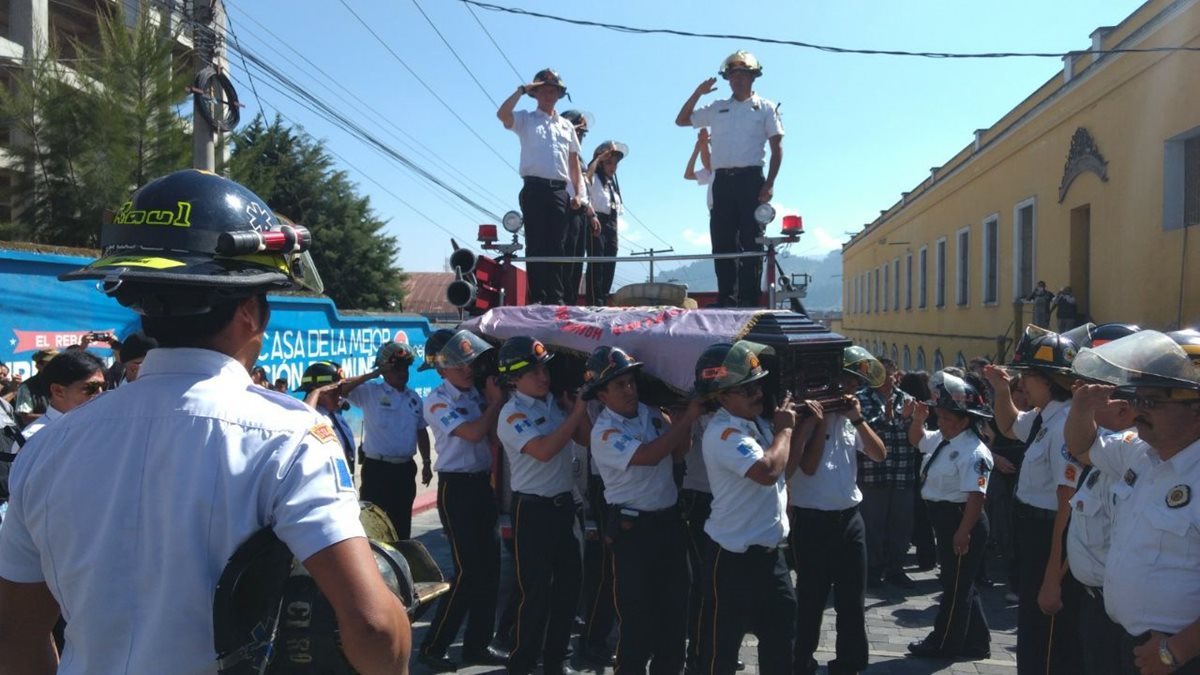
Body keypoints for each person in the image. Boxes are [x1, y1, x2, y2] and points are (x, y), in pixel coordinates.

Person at [0, 169, 409, 673]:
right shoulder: (292, 439)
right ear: (250, 313)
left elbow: (15, 632)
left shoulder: (48, 449)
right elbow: (372, 627)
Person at [1065, 330, 1200, 674]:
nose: (1138, 410)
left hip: (1178, 655)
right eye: (1137, 398)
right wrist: (1081, 408)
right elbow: (1081, 448)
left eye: (1151, 402)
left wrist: (1176, 651)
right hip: (1129, 642)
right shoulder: (1138, 452)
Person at [695, 340, 810, 675]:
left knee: (780, 645)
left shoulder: (758, 424)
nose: (756, 393)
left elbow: (782, 472)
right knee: (720, 652)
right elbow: (767, 471)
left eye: (758, 384)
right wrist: (785, 430)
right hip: (733, 560)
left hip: (770, 556)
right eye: (745, 388)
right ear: (721, 396)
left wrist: (799, 430)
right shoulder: (723, 432)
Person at [585, 345, 702, 673]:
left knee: (674, 617)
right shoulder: (604, 432)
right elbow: (649, 455)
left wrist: (683, 424)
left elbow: (678, 452)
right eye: (619, 385)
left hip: (668, 524)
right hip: (633, 532)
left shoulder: (651, 414)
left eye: (631, 382)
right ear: (602, 395)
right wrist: (687, 419)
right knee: (638, 623)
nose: (629, 389)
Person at [983, 327, 1083, 674]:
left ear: (1050, 379)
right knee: (1032, 628)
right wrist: (999, 389)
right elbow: (1009, 425)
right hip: (1031, 532)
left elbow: (1066, 502)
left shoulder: (1063, 426)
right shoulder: (1046, 416)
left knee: (1047, 639)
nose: (1021, 384)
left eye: (1027, 376)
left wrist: (1054, 574)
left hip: (1048, 538)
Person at [789, 347, 888, 675]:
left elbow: (879, 454)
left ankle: (849, 662)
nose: (852, 389)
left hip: (849, 517)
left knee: (852, 600)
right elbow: (809, 466)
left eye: (856, 384)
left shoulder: (851, 419)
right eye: (847, 381)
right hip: (812, 519)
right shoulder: (806, 416)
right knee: (811, 599)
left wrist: (857, 419)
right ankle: (800, 662)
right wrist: (819, 423)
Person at [496, 336, 590, 675]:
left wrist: (575, 411)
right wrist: (577, 411)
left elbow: (584, 439)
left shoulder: (554, 402)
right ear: (513, 378)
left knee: (569, 589)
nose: (543, 376)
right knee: (535, 594)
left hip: (566, 506)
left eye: (544, 368)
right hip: (533, 510)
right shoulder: (511, 414)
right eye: (533, 371)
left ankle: (556, 662)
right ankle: (521, 662)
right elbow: (545, 450)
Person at [417, 329, 508, 671]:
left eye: (468, 361)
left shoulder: (476, 395)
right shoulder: (437, 399)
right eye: (457, 364)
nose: (467, 368)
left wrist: (494, 402)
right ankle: (433, 646)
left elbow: (494, 436)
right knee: (468, 572)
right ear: (441, 370)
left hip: (482, 485)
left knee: (490, 570)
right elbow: (472, 433)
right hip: (455, 489)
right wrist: (495, 403)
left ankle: (477, 646)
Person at [676, 50, 784, 308]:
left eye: (742, 74)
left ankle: (748, 299)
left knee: (752, 241)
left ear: (753, 77)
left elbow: (777, 147)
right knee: (722, 242)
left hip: (751, 180)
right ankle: (727, 298)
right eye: (733, 75)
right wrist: (698, 93)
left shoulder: (766, 108)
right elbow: (681, 120)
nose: (737, 79)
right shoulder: (717, 108)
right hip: (722, 181)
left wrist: (769, 183)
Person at [904, 372, 995, 660]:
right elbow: (918, 440)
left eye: (946, 419)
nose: (940, 423)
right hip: (945, 519)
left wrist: (963, 531)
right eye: (939, 418)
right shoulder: (946, 439)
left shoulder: (973, 452)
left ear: (965, 421)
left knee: (955, 589)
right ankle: (977, 642)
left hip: (961, 519)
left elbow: (976, 496)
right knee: (961, 584)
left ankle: (943, 643)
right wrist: (917, 420)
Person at [497, 68, 587, 305]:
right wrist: (520, 90)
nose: (549, 94)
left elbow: (573, 162)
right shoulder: (526, 119)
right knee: (536, 243)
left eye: (553, 90)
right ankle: (538, 298)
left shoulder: (567, 126)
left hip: (559, 190)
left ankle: (556, 299)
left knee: (558, 245)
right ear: (535, 93)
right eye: (544, 90)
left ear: (559, 95)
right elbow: (502, 114)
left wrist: (578, 192)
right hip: (534, 188)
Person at [339, 341, 431, 541]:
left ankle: (401, 568)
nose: (402, 373)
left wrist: (426, 463)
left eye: (406, 368)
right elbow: (341, 389)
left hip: (405, 470)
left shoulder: (413, 398)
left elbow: (421, 431)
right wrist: (373, 373)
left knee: (402, 526)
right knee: (372, 524)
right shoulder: (371, 392)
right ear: (384, 370)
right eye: (397, 368)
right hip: (377, 470)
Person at [855, 357, 918, 588]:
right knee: (873, 524)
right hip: (873, 473)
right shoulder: (862, 399)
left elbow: (915, 435)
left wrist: (916, 419)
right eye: (879, 375)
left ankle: (896, 568)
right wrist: (889, 417)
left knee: (901, 524)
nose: (885, 380)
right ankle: (873, 568)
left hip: (902, 471)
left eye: (889, 375)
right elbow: (865, 430)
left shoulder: (907, 399)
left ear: (896, 374)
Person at [19, 350, 106, 439]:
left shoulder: (105, 428)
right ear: (58, 391)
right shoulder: (33, 438)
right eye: (91, 387)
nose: (100, 393)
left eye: (103, 386)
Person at [585, 141, 627, 306]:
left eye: (615, 163)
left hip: (612, 224)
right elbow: (585, 185)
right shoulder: (593, 178)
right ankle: (594, 301)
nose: (613, 167)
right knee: (597, 263)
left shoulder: (612, 185)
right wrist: (591, 217)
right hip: (597, 221)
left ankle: (603, 298)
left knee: (610, 263)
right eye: (609, 162)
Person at [298, 360, 358, 471]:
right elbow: (305, 420)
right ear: (319, 393)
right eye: (334, 392)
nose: (340, 396)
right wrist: (316, 391)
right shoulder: (313, 418)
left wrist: (373, 374)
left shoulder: (335, 415)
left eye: (341, 391)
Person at [562, 109, 594, 305]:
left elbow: (583, 188)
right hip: (565, 208)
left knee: (576, 262)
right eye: (578, 132)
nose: (580, 137)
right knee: (564, 261)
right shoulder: (559, 152)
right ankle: (562, 303)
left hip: (580, 211)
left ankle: (571, 301)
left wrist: (590, 212)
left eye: (582, 134)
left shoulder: (578, 158)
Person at [13, 348, 58, 427]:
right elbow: (26, 418)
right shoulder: (27, 387)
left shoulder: (64, 383)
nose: (55, 366)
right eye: (50, 363)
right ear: (38, 366)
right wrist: (56, 417)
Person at [684, 127, 715, 213]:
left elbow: (708, 160)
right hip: (716, 212)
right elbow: (688, 175)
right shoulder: (710, 173)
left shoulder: (729, 166)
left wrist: (707, 143)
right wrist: (697, 149)